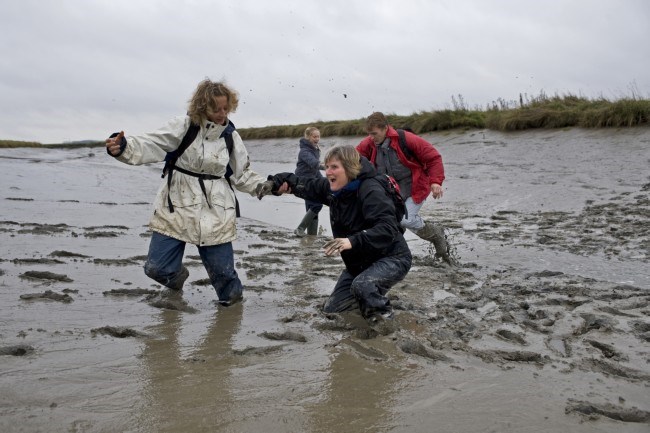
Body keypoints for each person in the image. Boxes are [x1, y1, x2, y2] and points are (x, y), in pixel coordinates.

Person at [105, 79, 272, 306]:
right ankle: (177, 278)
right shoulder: (183, 127)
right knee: (157, 268)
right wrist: (123, 147)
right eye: (216, 108)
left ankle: (232, 311)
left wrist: (266, 186)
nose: (223, 113)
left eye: (226, 108)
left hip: (216, 208)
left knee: (224, 276)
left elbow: (242, 174)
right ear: (202, 107)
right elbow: (151, 144)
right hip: (177, 203)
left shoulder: (231, 137)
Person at [257, 145, 412, 322]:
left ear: (350, 168)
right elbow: (303, 183)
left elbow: (388, 228)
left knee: (363, 285)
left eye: (334, 167)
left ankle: (384, 320)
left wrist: (352, 241)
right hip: (359, 264)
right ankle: (366, 299)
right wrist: (275, 183)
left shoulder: (370, 189)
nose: (328, 172)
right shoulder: (333, 188)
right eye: (327, 166)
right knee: (333, 309)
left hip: (393, 258)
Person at [356, 112, 450, 262]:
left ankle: (436, 233)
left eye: (374, 133)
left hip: (415, 187)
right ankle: (391, 255)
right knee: (387, 222)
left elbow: (433, 158)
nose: (371, 138)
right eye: (369, 134)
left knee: (406, 220)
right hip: (390, 192)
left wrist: (436, 182)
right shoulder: (369, 143)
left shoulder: (406, 139)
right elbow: (353, 159)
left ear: (385, 128)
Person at [293, 126, 324, 237]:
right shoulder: (304, 151)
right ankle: (300, 228)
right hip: (302, 182)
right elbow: (314, 164)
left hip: (311, 181)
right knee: (317, 205)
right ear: (307, 137)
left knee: (311, 207)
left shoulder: (315, 149)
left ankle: (312, 235)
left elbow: (314, 170)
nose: (317, 139)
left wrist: (324, 180)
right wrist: (330, 167)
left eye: (318, 136)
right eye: (314, 136)